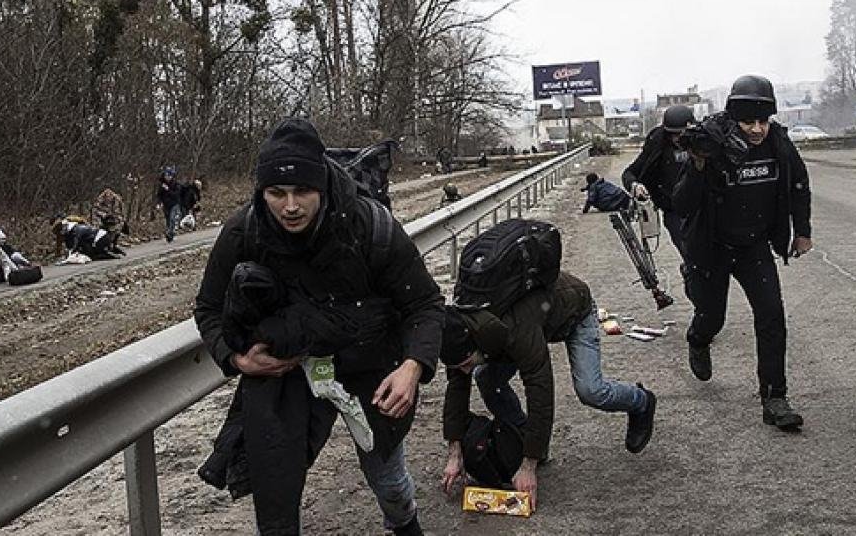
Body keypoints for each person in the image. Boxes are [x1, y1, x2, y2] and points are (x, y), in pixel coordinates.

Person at [193, 117, 444, 536]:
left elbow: (425, 304)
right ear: (262, 192)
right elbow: (208, 308)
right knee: (273, 483)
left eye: (303, 192)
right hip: (289, 366)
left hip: (368, 357)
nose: (290, 206)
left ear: (323, 186)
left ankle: (405, 525)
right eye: (276, 193)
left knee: (387, 480)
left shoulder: (370, 225)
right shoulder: (243, 231)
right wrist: (235, 357)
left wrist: (411, 369)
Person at [436, 226, 656, 511]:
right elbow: (457, 386)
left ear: (476, 345)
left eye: (465, 362)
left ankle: (640, 401)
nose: (462, 369)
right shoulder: (459, 330)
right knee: (485, 377)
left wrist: (528, 466)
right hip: (530, 325)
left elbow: (540, 389)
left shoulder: (516, 330)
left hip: (575, 314)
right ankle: (527, 435)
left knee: (591, 390)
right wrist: (454, 453)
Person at [673, 74, 812, 431]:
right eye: (748, 122)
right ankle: (698, 338)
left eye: (762, 121)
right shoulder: (712, 143)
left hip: (753, 246)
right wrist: (699, 165)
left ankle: (775, 398)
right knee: (712, 317)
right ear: (734, 119)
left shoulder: (778, 143)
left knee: (771, 316)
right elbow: (682, 203)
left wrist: (803, 232)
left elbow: (799, 184)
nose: (756, 130)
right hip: (712, 248)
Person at [622, 104, 696, 259]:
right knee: (690, 255)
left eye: (683, 135)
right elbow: (630, 173)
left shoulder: (705, 144)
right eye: (674, 135)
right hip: (673, 210)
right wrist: (635, 185)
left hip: (702, 210)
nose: (679, 139)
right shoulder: (658, 145)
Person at [52, 218, 124, 261]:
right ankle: (110, 251)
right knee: (88, 252)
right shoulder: (68, 233)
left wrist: (71, 253)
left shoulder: (77, 229)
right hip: (94, 240)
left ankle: (109, 254)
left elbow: (76, 241)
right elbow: (65, 244)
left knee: (93, 254)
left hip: (101, 237)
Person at [154, 166, 183, 242]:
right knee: (168, 219)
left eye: (169, 175)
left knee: (172, 218)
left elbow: (176, 195)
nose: (168, 177)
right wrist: (158, 203)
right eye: (166, 175)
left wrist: (168, 190)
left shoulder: (176, 184)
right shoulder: (162, 185)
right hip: (166, 204)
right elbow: (159, 195)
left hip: (174, 204)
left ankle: (170, 233)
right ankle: (170, 233)